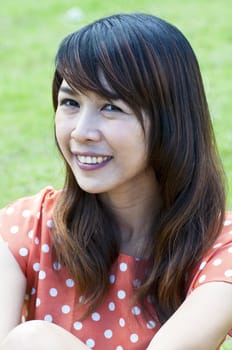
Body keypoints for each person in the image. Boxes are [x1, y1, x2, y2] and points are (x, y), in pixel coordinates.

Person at [0, 12, 231, 350]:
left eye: (111, 107)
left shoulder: (219, 248)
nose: (81, 132)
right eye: (70, 103)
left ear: (171, 120)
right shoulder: (25, 230)